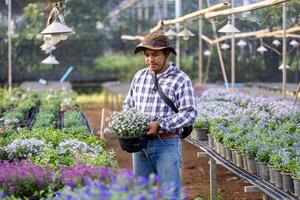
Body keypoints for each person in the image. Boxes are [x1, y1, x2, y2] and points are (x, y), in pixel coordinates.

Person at [124, 31, 197, 199]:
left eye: (155, 55)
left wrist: (161, 124)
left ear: (166, 54)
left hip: (167, 143)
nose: (150, 59)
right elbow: (128, 104)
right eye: (147, 55)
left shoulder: (180, 79)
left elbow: (190, 113)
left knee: (171, 194)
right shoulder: (139, 76)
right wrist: (127, 125)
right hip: (140, 145)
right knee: (141, 193)